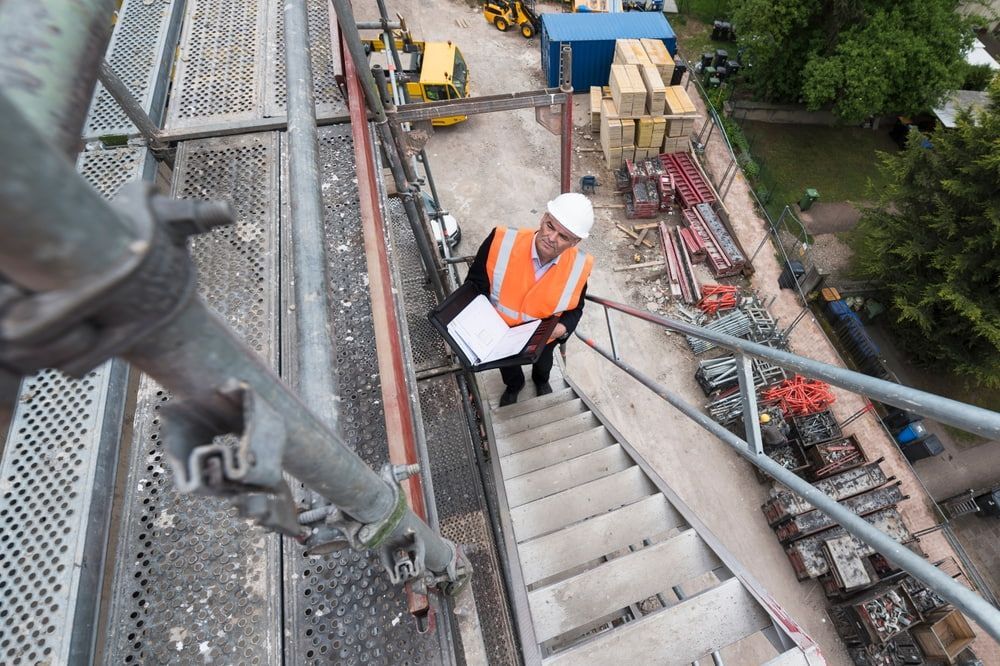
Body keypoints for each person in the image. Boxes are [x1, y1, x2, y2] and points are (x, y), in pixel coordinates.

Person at [465, 193, 595, 406]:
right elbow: (475, 285)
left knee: (544, 366)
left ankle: (540, 381)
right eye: (550, 226)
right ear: (543, 218)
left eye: (563, 237)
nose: (551, 238)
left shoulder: (579, 268)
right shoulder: (501, 241)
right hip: (501, 335)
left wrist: (561, 329)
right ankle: (514, 386)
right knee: (508, 368)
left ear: (575, 242)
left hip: (543, 340)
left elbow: (576, 308)